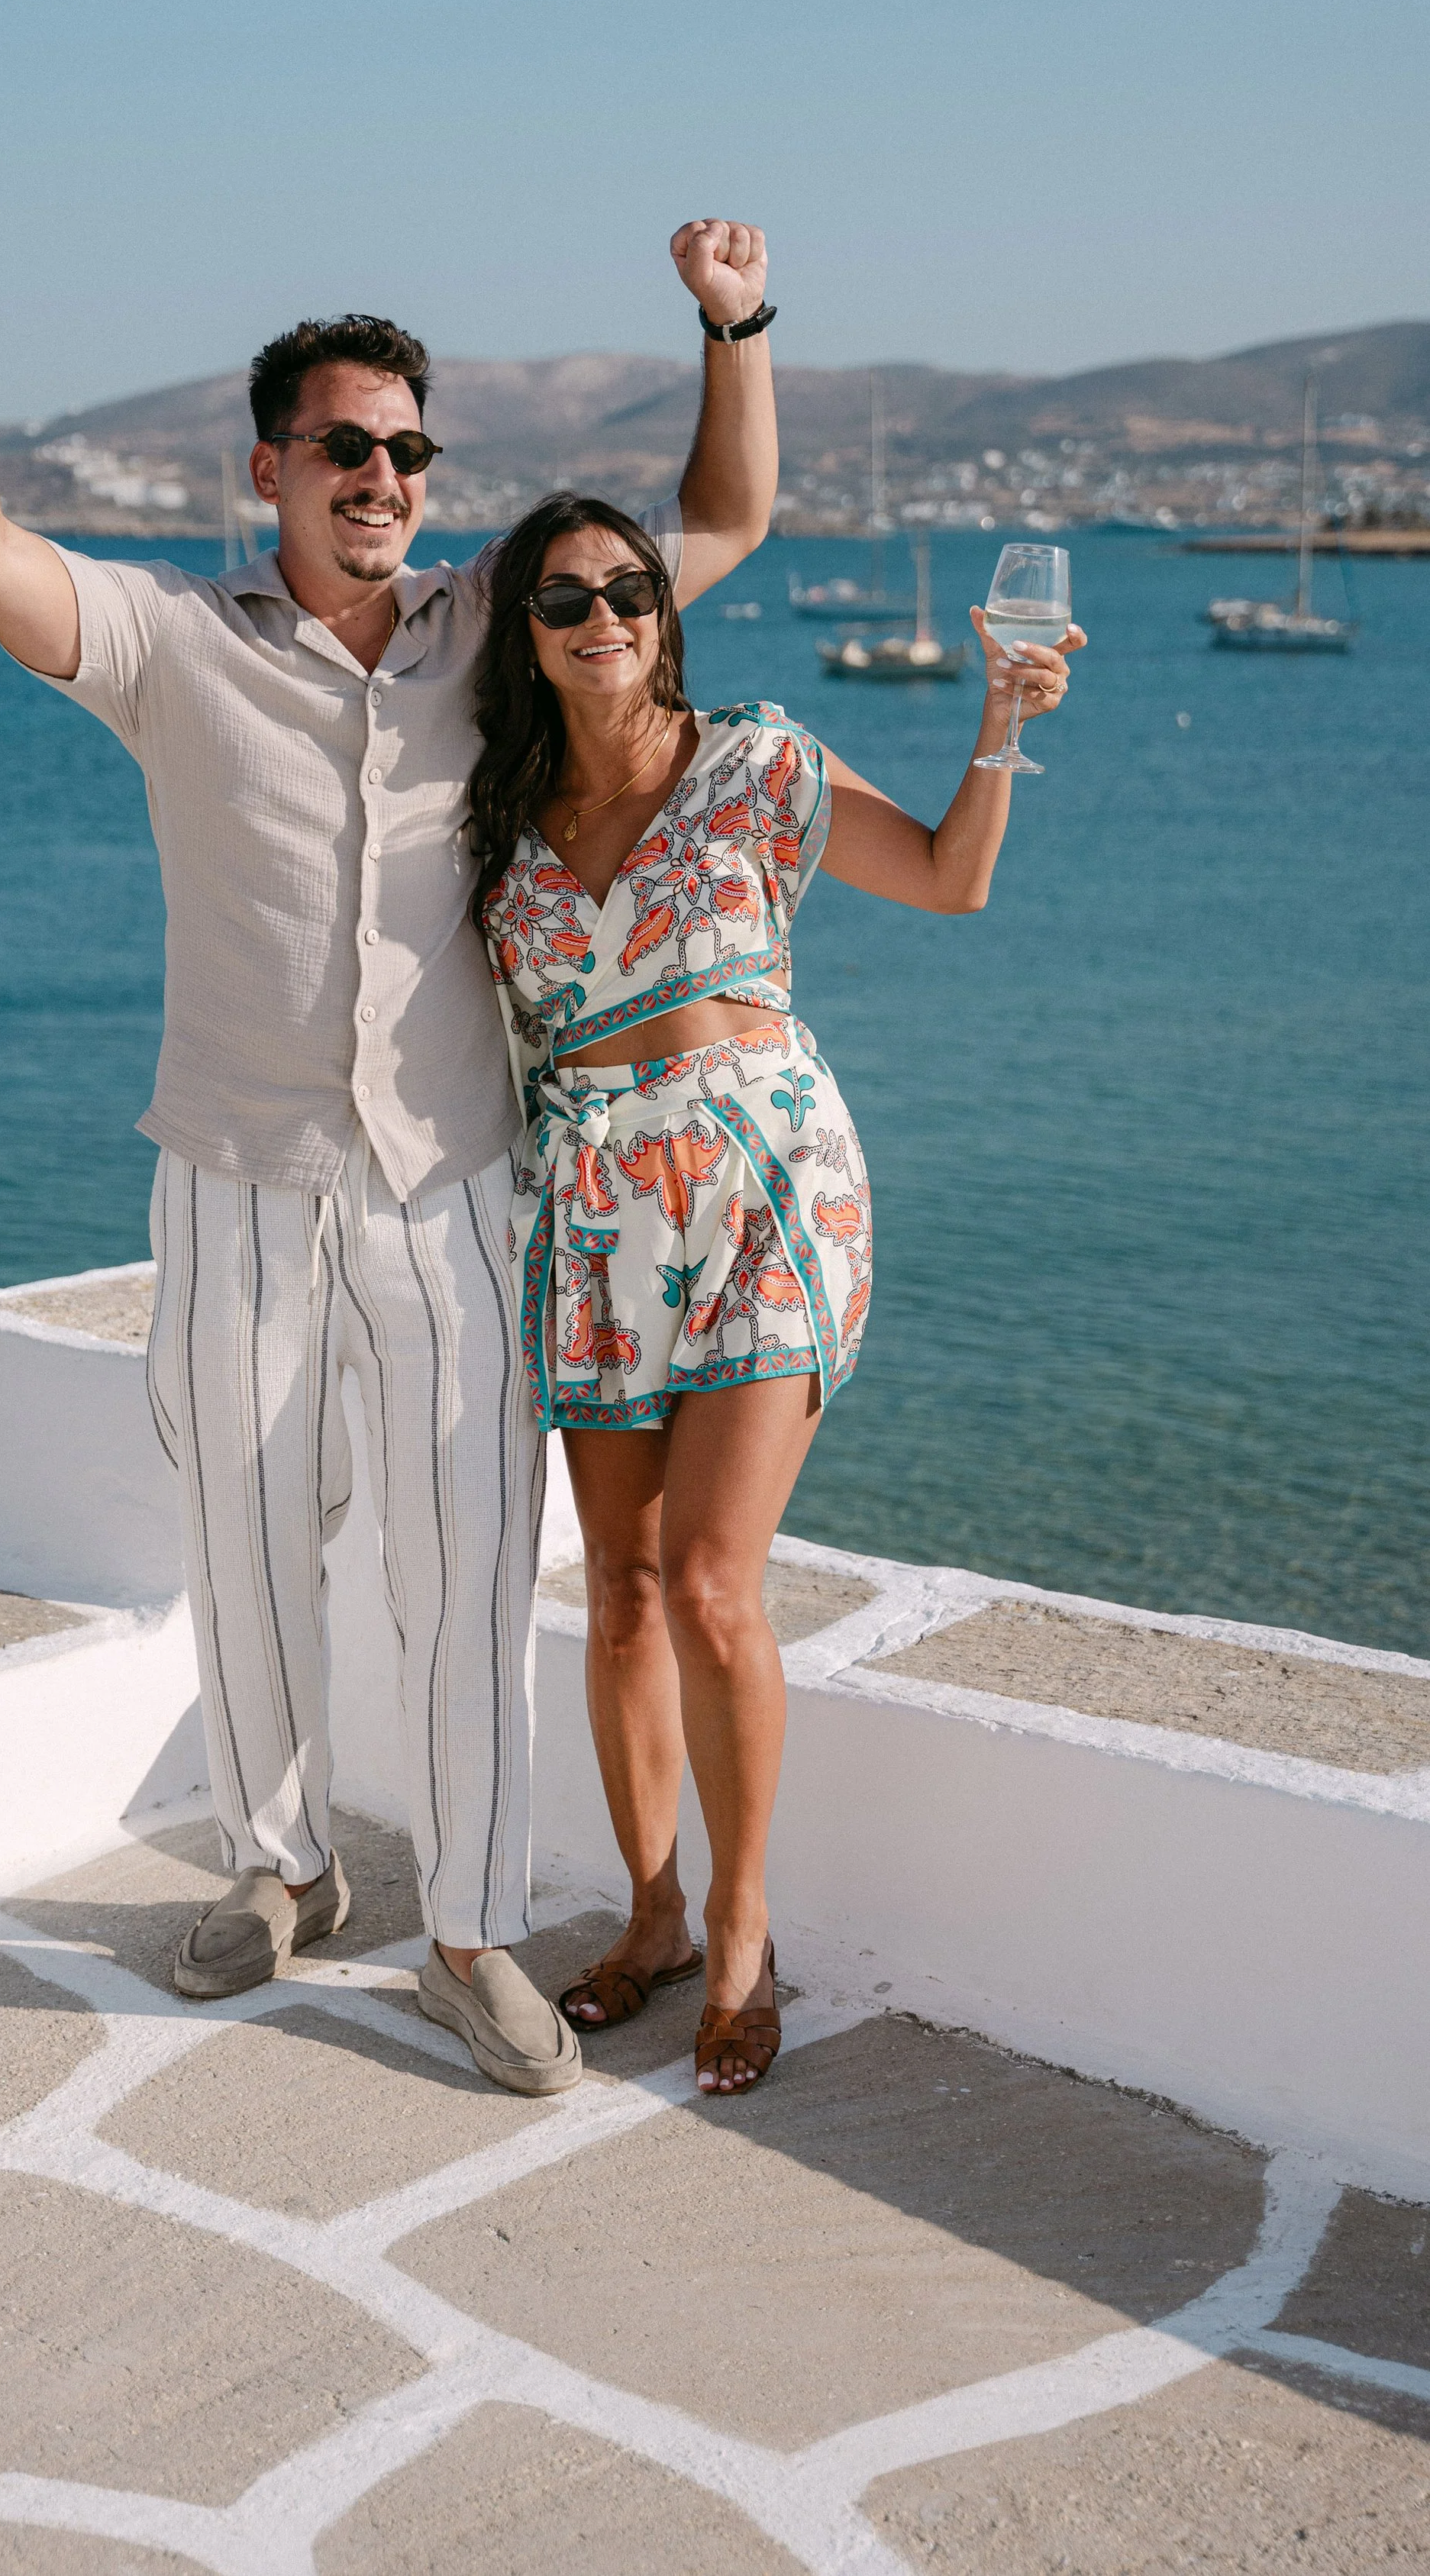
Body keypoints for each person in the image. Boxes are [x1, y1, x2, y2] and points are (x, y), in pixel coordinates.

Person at [0, 221, 780, 2097]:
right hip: (236, 1167)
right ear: (266, 465)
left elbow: (723, 517)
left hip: (450, 1178)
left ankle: (467, 1930)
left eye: (407, 451)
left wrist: (732, 322)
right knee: (249, 1544)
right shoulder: (171, 642)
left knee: (468, 1559)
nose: (381, 479)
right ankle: (281, 1867)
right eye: (344, 448)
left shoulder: (494, 624)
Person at [468, 495, 1082, 2095]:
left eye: (628, 587)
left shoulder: (756, 763)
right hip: (592, 1214)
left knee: (708, 1580)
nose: (601, 614)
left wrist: (999, 725)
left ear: (664, 611)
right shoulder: (494, 823)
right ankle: (650, 1912)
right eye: (561, 596)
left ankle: (741, 1931)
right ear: (520, 636)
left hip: (761, 1188)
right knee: (609, 1586)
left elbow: (951, 879)